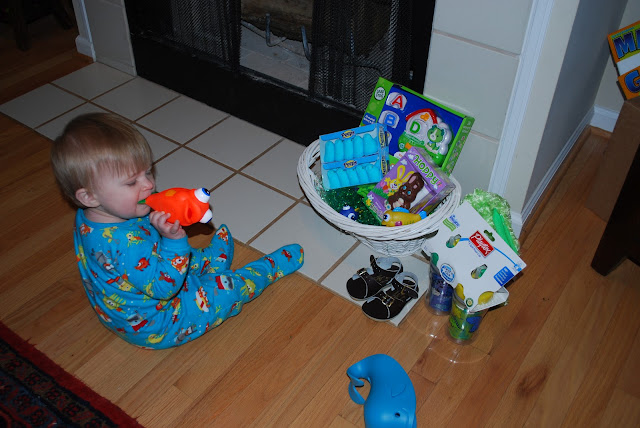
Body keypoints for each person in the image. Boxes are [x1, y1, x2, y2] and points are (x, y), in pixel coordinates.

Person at [50, 113, 304, 349]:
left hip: (122, 307)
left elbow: (142, 248)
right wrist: (174, 240)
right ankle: (267, 269)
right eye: (131, 182)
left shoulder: (92, 215)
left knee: (180, 256)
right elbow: (164, 289)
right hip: (160, 322)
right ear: (89, 196)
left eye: (147, 172)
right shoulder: (123, 244)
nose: (149, 184)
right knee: (227, 290)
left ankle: (209, 262)